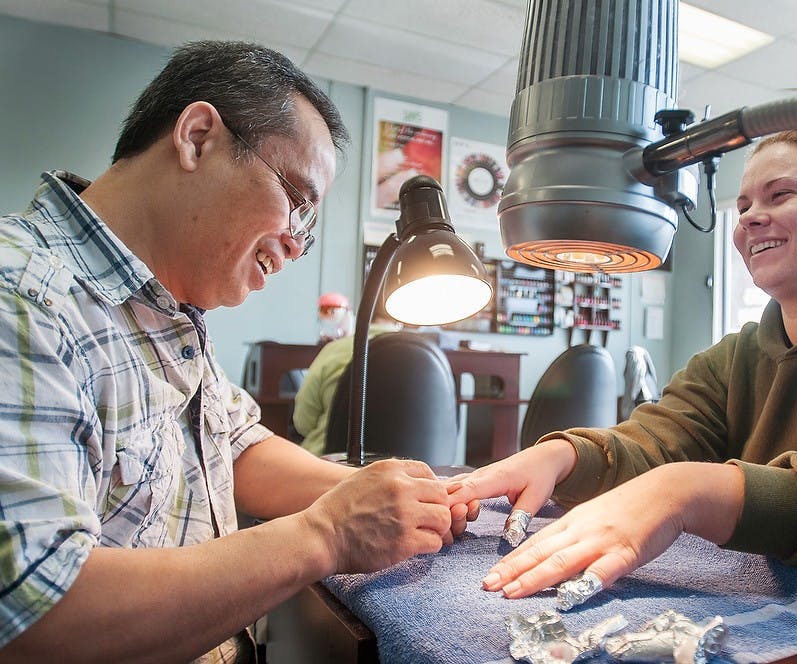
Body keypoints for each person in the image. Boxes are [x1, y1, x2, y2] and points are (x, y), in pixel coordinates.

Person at [0, 41, 459, 662]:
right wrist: (326, 533)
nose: (295, 248)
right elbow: (37, 618)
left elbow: (236, 446)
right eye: (296, 200)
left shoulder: (166, 309)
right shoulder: (22, 296)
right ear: (195, 138)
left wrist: (390, 496)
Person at [448, 128, 797, 613]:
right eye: (744, 203)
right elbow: (657, 443)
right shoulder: (738, 356)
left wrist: (693, 491)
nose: (751, 217)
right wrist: (563, 455)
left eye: (780, 194)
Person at [294, 296, 402, 455]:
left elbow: (303, 423)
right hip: (412, 471)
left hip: (331, 468)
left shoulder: (334, 351)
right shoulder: (428, 356)